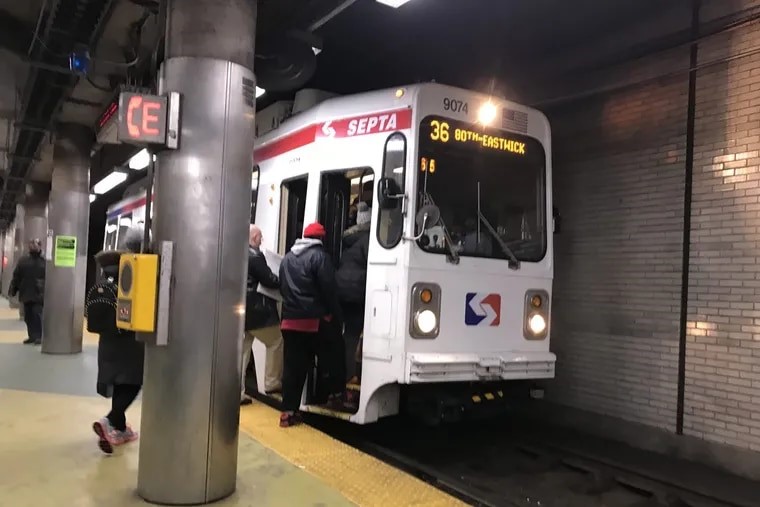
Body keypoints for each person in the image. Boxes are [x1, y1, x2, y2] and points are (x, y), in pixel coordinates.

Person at [278, 222, 345, 427]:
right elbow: (329, 290)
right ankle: (336, 395)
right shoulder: (320, 257)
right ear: (320, 239)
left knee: (293, 369)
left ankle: (288, 412)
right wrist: (335, 315)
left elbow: (282, 287)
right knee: (334, 354)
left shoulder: (287, 258)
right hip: (314, 321)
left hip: (290, 321)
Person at [87, 227, 145, 455]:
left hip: (108, 337)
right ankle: (109, 420)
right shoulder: (135, 267)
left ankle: (120, 429)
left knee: (121, 381)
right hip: (129, 337)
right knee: (133, 381)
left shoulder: (108, 266)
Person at [242, 224, 283, 405]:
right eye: (260, 237)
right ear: (253, 238)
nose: (261, 240)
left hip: (243, 311)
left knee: (242, 353)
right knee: (276, 341)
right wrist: (281, 278)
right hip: (259, 311)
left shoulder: (239, 254)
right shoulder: (255, 256)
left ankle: (237, 393)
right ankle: (272, 383)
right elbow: (269, 280)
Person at [336, 202, 371, 384]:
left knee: (348, 334)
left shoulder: (346, 239)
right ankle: (353, 373)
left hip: (342, 290)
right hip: (359, 292)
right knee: (360, 334)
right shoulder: (370, 240)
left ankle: (344, 372)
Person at [9, 239, 46, 345]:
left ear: (40, 246)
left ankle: (39, 336)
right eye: (31, 243)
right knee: (28, 316)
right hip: (26, 292)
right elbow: (17, 276)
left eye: (36, 244)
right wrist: (13, 288)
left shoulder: (44, 261)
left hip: (38, 293)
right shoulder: (23, 260)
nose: (33, 246)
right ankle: (32, 336)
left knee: (37, 315)